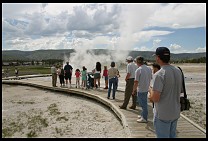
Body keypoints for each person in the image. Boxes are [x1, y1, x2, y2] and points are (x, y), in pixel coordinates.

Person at [148, 47, 183, 138]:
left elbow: (155, 99)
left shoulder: (159, 74)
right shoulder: (178, 71)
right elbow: (180, 90)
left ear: (158, 58)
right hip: (175, 112)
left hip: (163, 114)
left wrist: (150, 89)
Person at [132, 56, 152, 123]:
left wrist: (134, 90)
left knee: (143, 104)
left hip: (141, 89)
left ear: (137, 62)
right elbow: (150, 77)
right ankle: (142, 115)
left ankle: (145, 118)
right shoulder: (149, 68)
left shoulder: (138, 70)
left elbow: (136, 81)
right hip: (146, 88)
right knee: (143, 103)